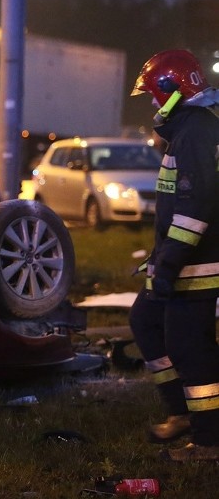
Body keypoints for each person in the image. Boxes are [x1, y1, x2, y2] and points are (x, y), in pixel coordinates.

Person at [128, 49, 219, 462]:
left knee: (189, 349)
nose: (150, 103)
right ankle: (180, 412)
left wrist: (168, 263)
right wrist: (158, 257)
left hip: (194, 265)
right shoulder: (186, 129)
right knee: (145, 321)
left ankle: (207, 441)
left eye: (153, 94)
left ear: (172, 90)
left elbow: (194, 207)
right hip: (176, 258)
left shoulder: (197, 131)